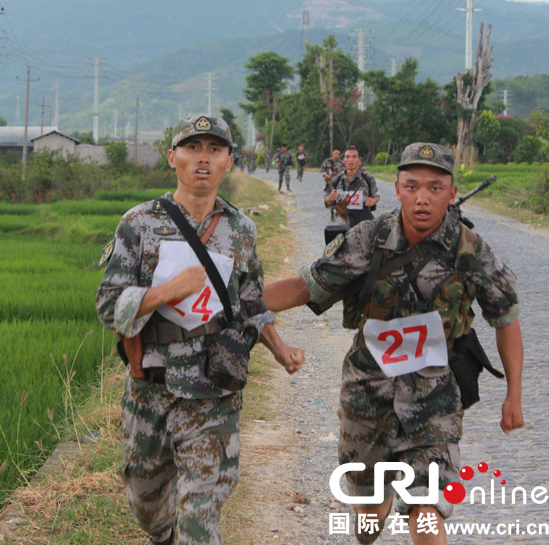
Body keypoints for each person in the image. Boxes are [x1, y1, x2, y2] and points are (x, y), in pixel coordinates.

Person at [263, 142, 523, 545]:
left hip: (435, 397)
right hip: (367, 393)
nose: (423, 197)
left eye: (435, 187)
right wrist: (241, 303)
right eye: (413, 186)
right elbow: (305, 287)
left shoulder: (471, 251)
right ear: (398, 189)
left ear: (451, 193)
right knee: (369, 518)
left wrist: (514, 396)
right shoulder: (368, 238)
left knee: (426, 505)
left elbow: (506, 319)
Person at [96, 115, 304, 545]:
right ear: (173, 157)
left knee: (201, 513)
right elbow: (108, 305)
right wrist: (166, 291)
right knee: (147, 505)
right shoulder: (139, 223)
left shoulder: (241, 230)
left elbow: (251, 302)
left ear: (229, 160)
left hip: (214, 386)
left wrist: (279, 348)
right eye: (192, 148)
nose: (203, 158)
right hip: (150, 384)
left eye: (214, 149)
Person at [325, 145, 380, 227]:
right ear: (343, 160)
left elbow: (376, 196)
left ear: (359, 160)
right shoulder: (335, 180)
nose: (350, 160)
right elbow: (327, 202)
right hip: (342, 220)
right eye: (347, 157)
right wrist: (330, 198)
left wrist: (373, 201)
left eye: (354, 157)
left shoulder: (368, 178)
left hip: (363, 219)